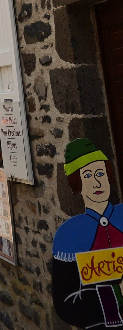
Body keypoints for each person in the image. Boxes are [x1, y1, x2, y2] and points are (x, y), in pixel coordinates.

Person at [52, 138, 123, 328]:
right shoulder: (68, 234)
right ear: (78, 183)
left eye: (100, 173)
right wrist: (116, 293)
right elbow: (65, 303)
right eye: (88, 176)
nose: (97, 182)